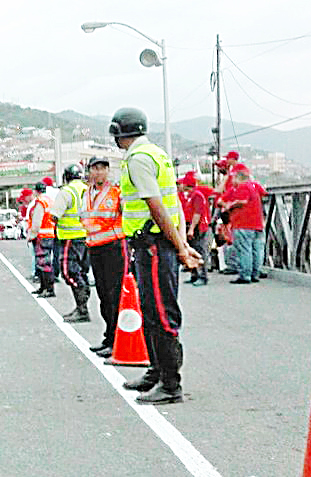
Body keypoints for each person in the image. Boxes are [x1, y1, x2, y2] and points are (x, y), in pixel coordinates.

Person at [110, 107, 201, 405]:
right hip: (155, 242)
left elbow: (156, 205)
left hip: (152, 242)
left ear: (118, 132)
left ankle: (171, 384)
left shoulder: (138, 160)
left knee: (161, 313)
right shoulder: (157, 154)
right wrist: (183, 244)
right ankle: (157, 371)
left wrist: (179, 248)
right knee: (150, 310)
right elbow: (172, 202)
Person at [80, 157, 127, 358]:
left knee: (113, 295)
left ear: (107, 171)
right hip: (95, 248)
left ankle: (116, 340)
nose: (98, 172)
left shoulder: (116, 192)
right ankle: (109, 337)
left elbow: (126, 216)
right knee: (102, 296)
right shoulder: (87, 193)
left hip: (113, 248)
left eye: (102, 169)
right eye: (95, 169)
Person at [50, 164, 90, 323]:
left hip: (70, 237)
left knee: (69, 272)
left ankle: (82, 305)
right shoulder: (87, 189)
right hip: (87, 237)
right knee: (82, 271)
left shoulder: (66, 192)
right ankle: (82, 302)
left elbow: (55, 215)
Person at [221, 167, 267, 284]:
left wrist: (230, 205)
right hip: (257, 223)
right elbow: (264, 193)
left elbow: (242, 201)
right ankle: (255, 273)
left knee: (244, 250)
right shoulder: (254, 186)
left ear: (238, 178)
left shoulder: (242, 187)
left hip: (243, 223)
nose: (231, 181)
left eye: (233, 178)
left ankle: (245, 275)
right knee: (257, 250)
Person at [26, 182, 57, 297]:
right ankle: (44, 287)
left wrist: (31, 236)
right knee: (46, 261)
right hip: (49, 234)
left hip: (41, 236)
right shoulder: (49, 201)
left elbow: (36, 222)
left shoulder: (40, 202)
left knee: (43, 263)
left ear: (36, 191)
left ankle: (48, 289)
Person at [181, 173, 211, 286]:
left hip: (198, 227)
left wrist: (192, 228)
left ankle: (202, 276)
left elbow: (197, 214)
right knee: (192, 250)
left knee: (199, 251)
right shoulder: (190, 196)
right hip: (192, 225)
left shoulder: (197, 196)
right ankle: (194, 274)